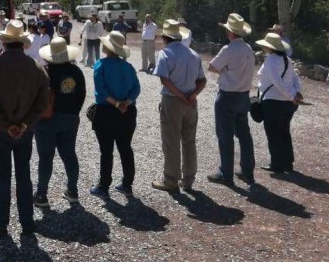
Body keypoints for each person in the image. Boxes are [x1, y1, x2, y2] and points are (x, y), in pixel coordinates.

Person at [0, 20, 50, 237]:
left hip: (1, 131)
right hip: (25, 131)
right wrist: (24, 124)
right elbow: (42, 101)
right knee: (24, 175)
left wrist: (5, 125)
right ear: (22, 43)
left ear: (5, 42)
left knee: (3, 176)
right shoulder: (36, 68)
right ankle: (27, 223)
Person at [151, 20, 206, 192]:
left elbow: (164, 80)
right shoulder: (193, 54)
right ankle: (188, 180)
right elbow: (202, 80)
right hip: (191, 101)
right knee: (189, 141)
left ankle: (171, 179)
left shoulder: (166, 54)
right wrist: (193, 95)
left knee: (171, 141)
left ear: (165, 37)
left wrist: (182, 96)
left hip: (173, 100)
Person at [33, 37, 86, 207]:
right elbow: (82, 95)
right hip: (70, 117)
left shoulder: (44, 72)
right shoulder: (76, 72)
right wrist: (74, 111)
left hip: (46, 119)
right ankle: (72, 190)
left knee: (46, 157)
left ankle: (42, 194)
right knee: (69, 154)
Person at [207, 13, 256, 186]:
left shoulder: (228, 50)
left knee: (225, 135)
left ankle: (226, 173)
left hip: (228, 95)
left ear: (230, 32)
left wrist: (224, 70)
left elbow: (212, 66)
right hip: (243, 95)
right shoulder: (248, 49)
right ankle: (247, 170)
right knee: (244, 134)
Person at [90, 31, 141, 197]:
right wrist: (126, 102)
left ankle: (104, 186)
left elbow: (101, 91)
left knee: (106, 151)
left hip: (106, 112)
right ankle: (127, 184)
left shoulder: (100, 65)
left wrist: (117, 104)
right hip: (127, 112)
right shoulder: (128, 67)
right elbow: (136, 88)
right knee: (125, 148)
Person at [255, 33, 302, 172]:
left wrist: (291, 96)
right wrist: (296, 93)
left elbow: (277, 82)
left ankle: (277, 164)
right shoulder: (287, 59)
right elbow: (295, 79)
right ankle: (287, 162)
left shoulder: (270, 61)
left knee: (273, 133)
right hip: (287, 103)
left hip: (274, 101)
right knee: (283, 132)